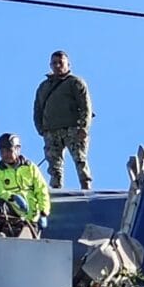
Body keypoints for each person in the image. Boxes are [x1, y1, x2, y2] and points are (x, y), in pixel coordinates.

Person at [33, 50, 94, 190]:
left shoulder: (75, 82)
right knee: (54, 165)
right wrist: (40, 128)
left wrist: (84, 127)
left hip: (72, 129)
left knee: (80, 159)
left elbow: (86, 106)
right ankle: (56, 189)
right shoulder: (44, 86)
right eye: (54, 63)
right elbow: (37, 108)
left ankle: (86, 186)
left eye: (61, 63)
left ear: (68, 64)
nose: (57, 66)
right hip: (51, 131)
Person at [0, 133, 51, 238]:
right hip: (11, 213)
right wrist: (12, 197)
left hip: (31, 216)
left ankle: (29, 233)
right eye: (2, 151)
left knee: (28, 235)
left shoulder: (30, 168)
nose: (5, 154)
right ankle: (0, 232)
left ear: (17, 149)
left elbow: (41, 189)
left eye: (9, 150)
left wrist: (43, 212)